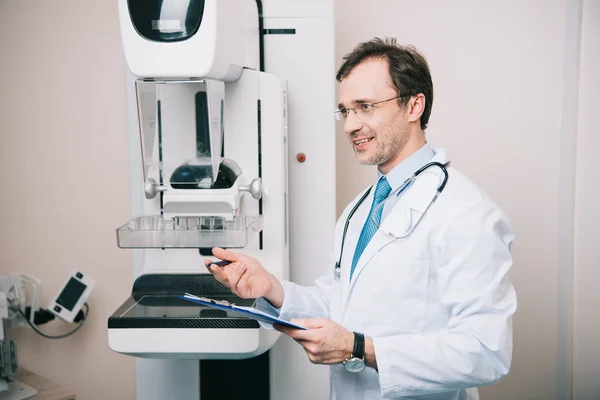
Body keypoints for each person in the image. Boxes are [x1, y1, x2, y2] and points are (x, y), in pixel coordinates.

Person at [204, 37, 517, 400]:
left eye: (365, 107)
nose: (350, 126)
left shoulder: (466, 212)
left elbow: (486, 353)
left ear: (414, 106)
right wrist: (270, 288)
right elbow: (343, 303)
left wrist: (359, 349)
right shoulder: (361, 208)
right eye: (345, 110)